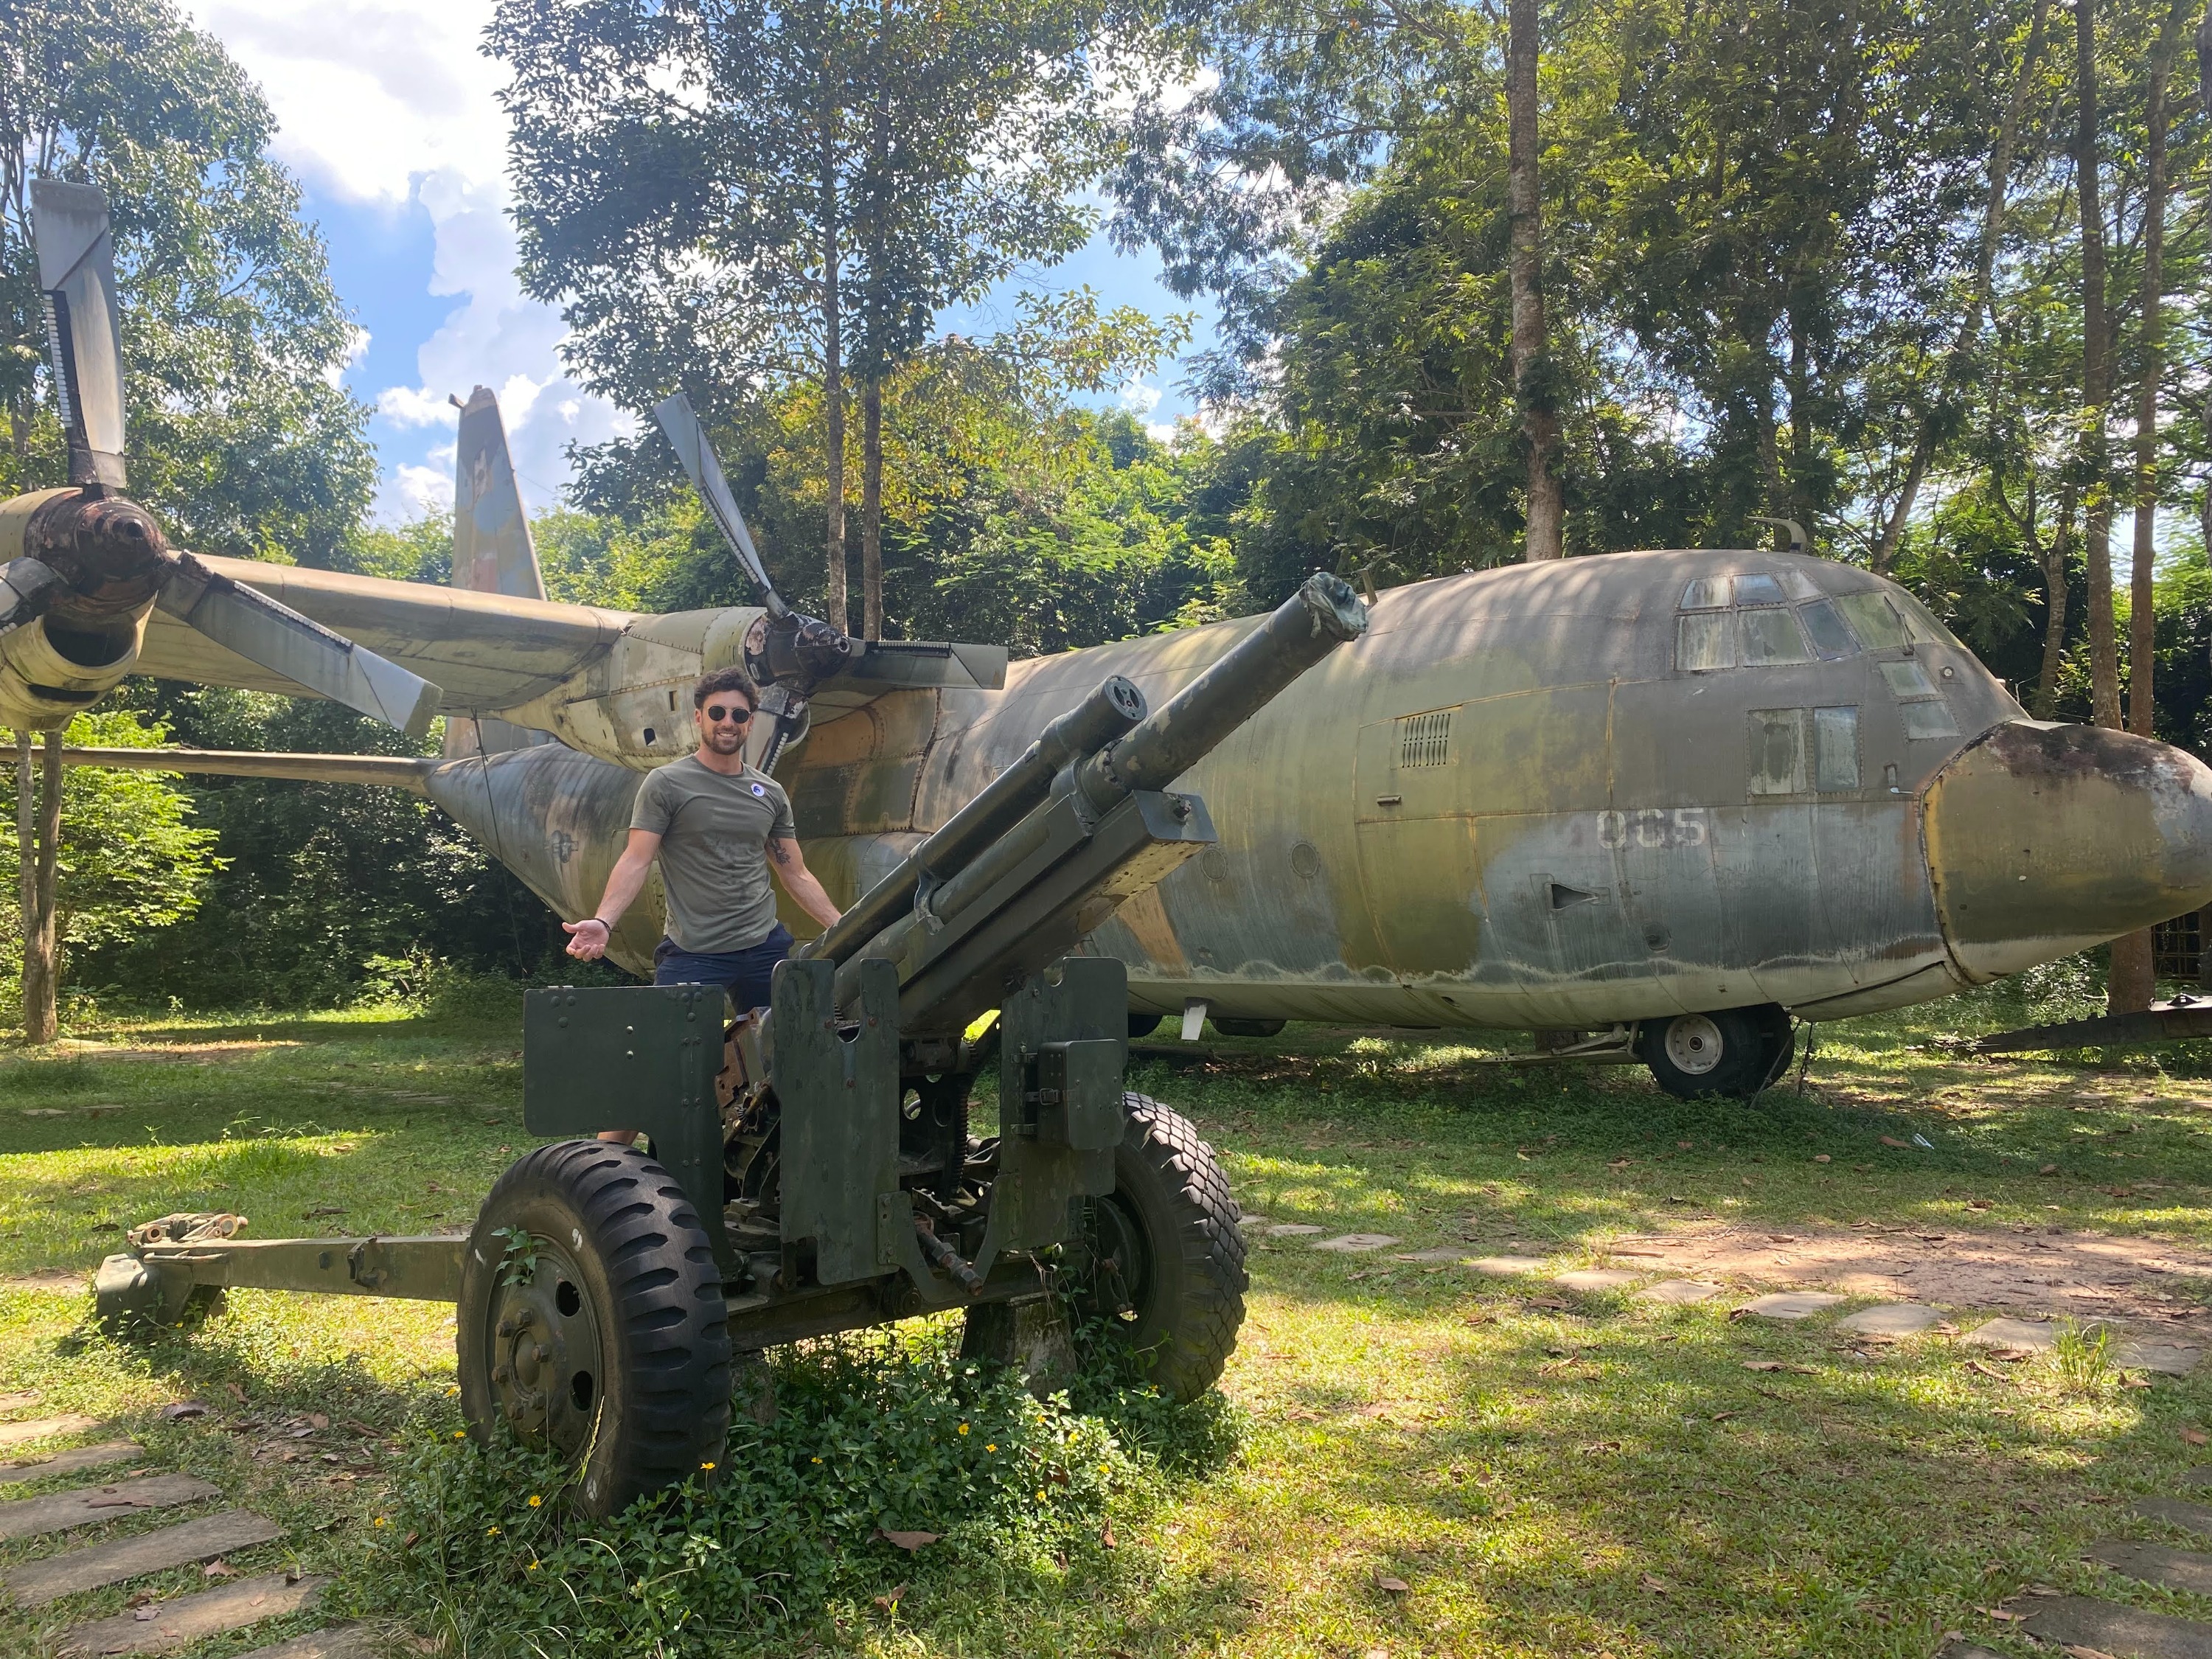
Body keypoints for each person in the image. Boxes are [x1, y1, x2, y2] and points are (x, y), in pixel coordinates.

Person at [563, 666, 841, 1141]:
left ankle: (768, 1166)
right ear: (700, 718)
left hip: (763, 948)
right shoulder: (667, 785)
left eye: (739, 713)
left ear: (751, 722)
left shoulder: (769, 793)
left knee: (795, 1058)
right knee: (657, 1066)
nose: (727, 722)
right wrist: (604, 921)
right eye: (718, 712)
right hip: (695, 952)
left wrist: (848, 925)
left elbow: (794, 872)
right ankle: (603, 1170)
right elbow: (636, 859)